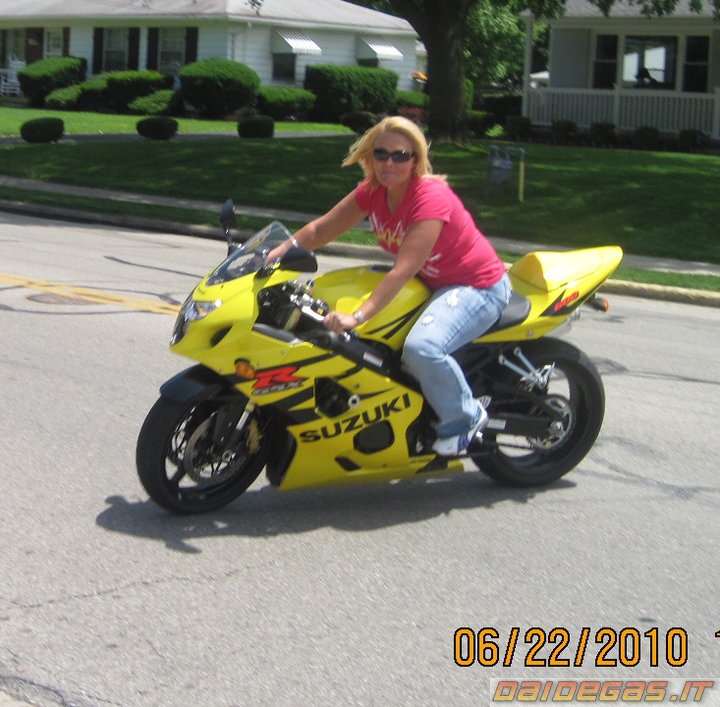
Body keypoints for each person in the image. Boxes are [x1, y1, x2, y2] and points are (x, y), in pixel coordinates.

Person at [269, 115, 511, 456]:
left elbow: (402, 271)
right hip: (430, 283)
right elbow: (320, 230)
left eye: (401, 155)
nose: (389, 163)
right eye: (381, 154)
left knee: (422, 349)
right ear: (370, 155)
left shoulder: (430, 197)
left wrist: (357, 316)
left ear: (416, 160)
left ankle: (465, 418)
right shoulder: (373, 191)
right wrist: (273, 255)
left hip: (477, 287)